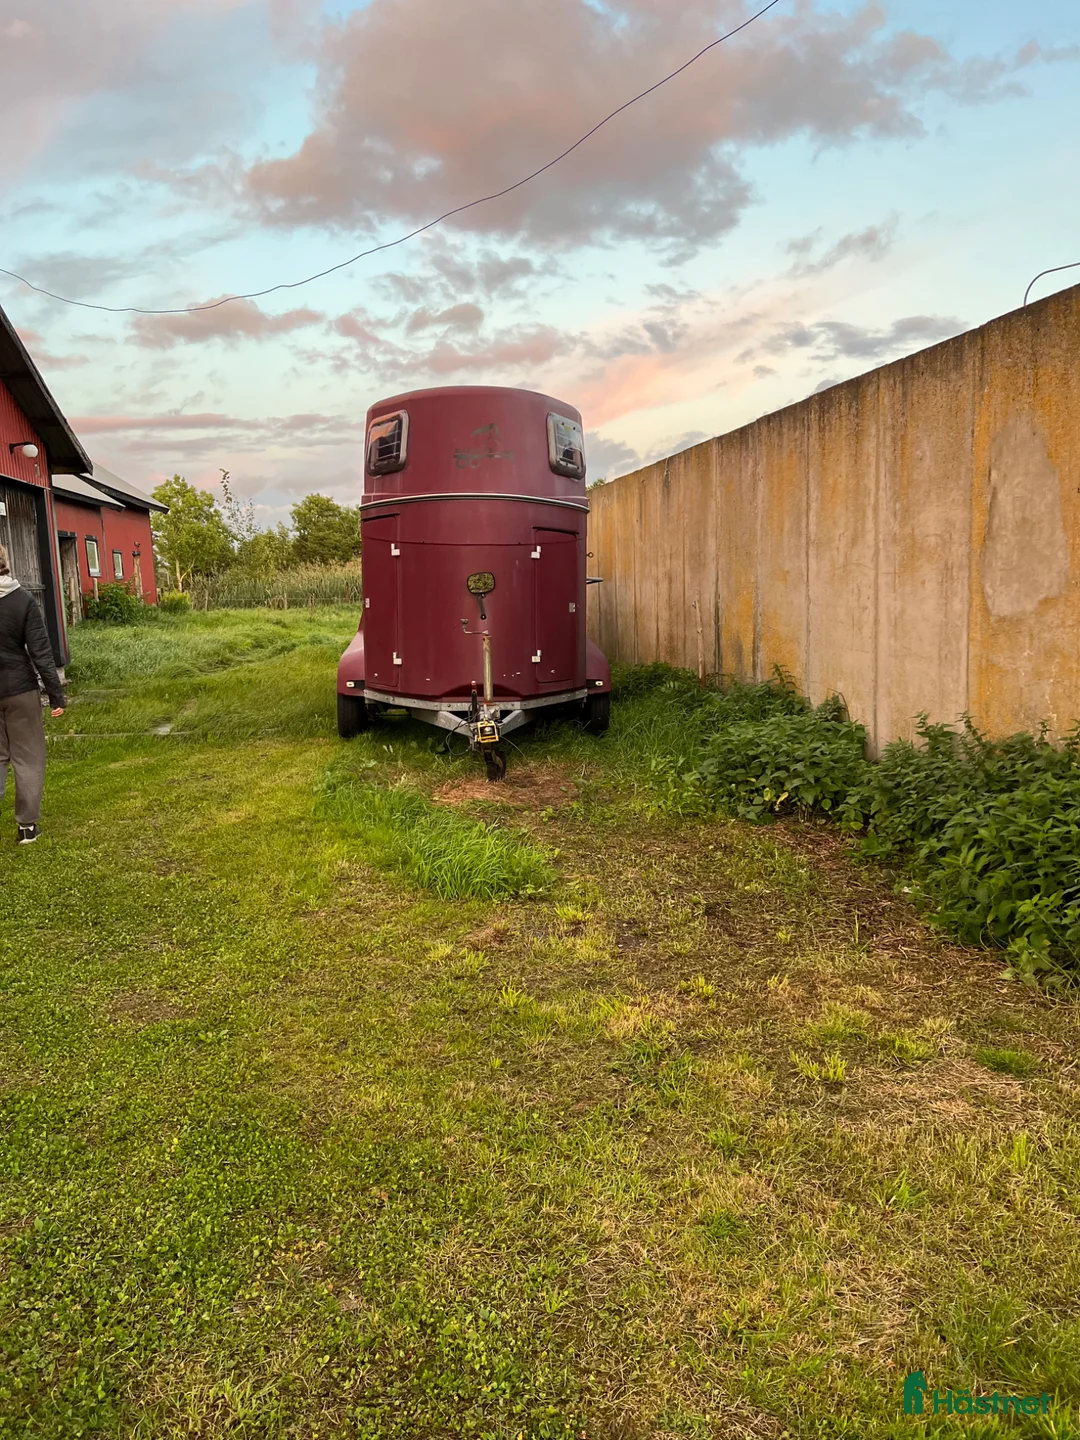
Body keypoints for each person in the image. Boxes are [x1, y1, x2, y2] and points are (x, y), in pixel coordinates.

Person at [0, 542, 66, 844]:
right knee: (28, 758)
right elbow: (41, 652)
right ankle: (27, 827)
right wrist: (56, 695)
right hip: (20, 691)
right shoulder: (23, 600)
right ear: (5, 561)